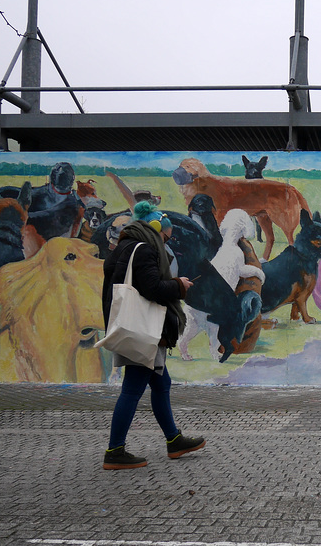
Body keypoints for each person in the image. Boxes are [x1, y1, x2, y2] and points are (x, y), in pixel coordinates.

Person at [101, 201, 205, 470]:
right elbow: (152, 288)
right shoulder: (144, 249)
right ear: (156, 229)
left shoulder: (124, 245)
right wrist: (178, 285)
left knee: (161, 384)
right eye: (165, 238)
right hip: (144, 330)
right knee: (133, 388)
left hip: (133, 327)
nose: (165, 242)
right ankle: (114, 451)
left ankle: (174, 440)